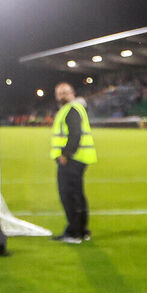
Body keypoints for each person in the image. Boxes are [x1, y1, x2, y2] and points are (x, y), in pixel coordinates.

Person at [50, 82, 97, 243]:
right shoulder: (73, 108)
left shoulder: (71, 109)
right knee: (77, 196)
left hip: (72, 160)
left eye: (65, 92)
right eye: (59, 93)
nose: (62, 96)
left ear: (72, 93)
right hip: (78, 159)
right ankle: (81, 231)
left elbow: (75, 133)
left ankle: (75, 233)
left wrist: (65, 154)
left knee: (69, 196)